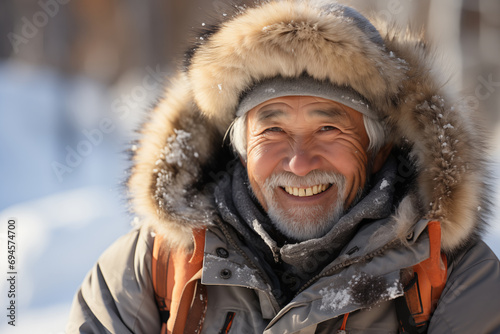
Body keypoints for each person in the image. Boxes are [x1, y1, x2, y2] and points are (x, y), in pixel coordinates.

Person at [67, 1, 500, 333]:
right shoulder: (151, 266)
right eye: (271, 132)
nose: (298, 162)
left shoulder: (454, 278)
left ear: (377, 148)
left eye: (329, 128)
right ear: (239, 150)